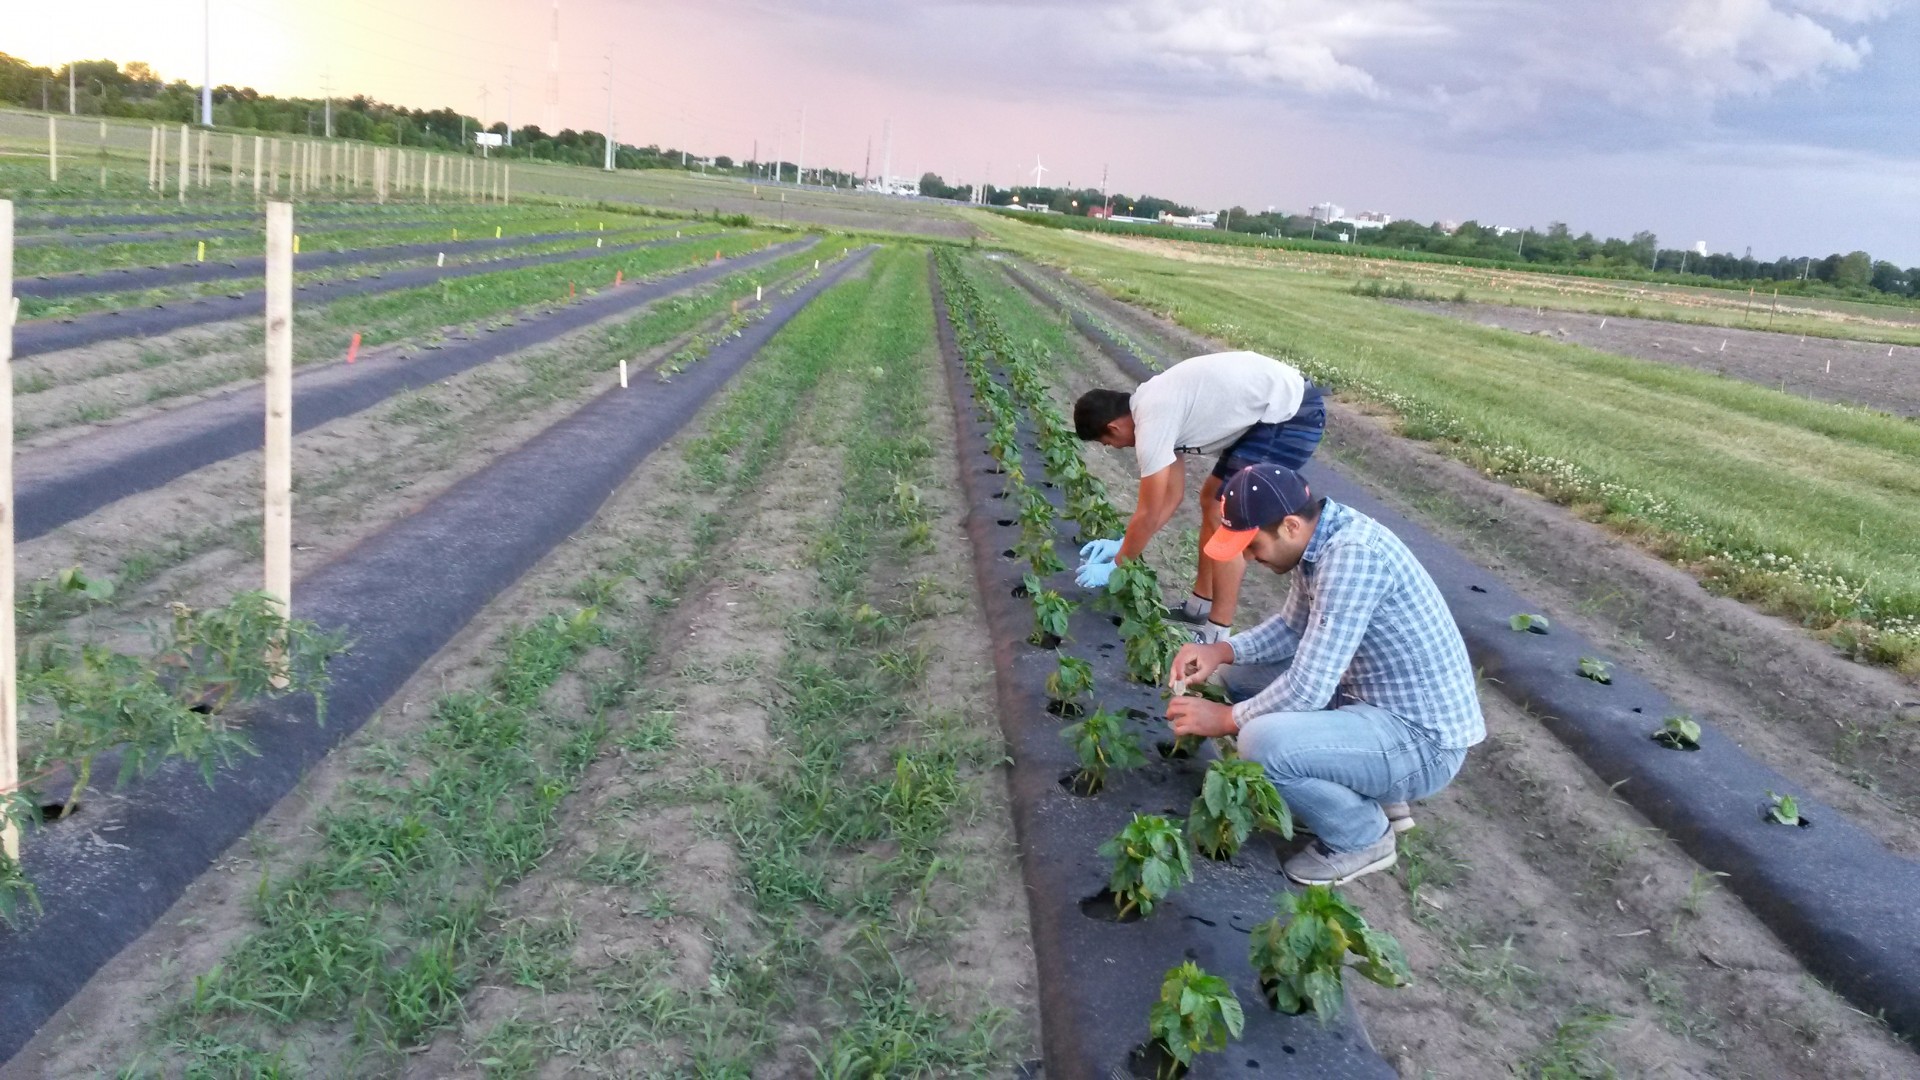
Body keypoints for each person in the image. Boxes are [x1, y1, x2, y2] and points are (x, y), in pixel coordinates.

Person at [1164, 464, 1485, 886]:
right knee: (1240, 675)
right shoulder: (1319, 541)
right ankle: (1360, 786)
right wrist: (1221, 650)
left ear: (1291, 526)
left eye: (1253, 545)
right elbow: (1293, 628)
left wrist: (1223, 720)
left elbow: (1309, 687)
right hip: (1367, 704)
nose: (1249, 558)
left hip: (1421, 741)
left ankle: (1363, 836)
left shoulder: (1352, 557)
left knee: (1261, 743)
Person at [1073, 351, 1324, 644]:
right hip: (1272, 413)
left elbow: (1148, 511)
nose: (1117, 448)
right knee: (1210, 499)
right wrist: (1124, 545)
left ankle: (1217, 632)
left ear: (1114, 427)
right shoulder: (1153, 404)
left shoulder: (1152, 420)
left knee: (1228, 515)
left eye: (1109, 443)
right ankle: (1198, 609)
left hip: (1291, 414)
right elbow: (1172, 496)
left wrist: (1119, 561)